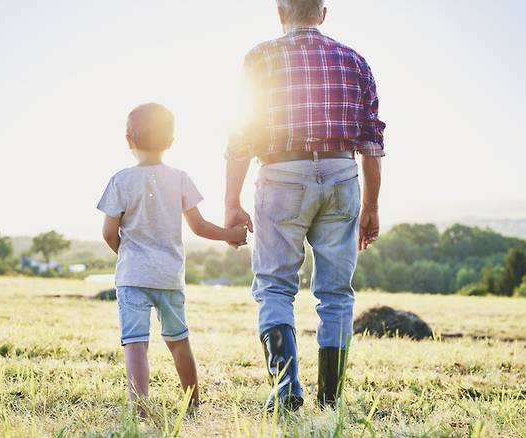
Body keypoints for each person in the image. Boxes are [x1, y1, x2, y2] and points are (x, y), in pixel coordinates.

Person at [224, 0, 386, 411]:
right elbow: (371, 141)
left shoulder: (260, 57)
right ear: (323, 13)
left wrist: (231, 200)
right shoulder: (355, 61)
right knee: (336, 292)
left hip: (281, 174)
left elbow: (242, 134)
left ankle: (285, 390)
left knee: (275, 286)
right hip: (341, 172)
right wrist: (372, 205)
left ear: (281, 12)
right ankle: (330, 398)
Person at [97, 102, 248, 416]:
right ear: (171, 141)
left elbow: (109, 232)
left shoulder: (121, 180)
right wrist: (229, 234)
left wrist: (126, 254)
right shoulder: (179, 178)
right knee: (179, 341)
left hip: (133, 277)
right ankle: (192, 405)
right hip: (169, 276)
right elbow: (199, 226)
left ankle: (140, 409)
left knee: (136, 343)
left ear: (129, 139)